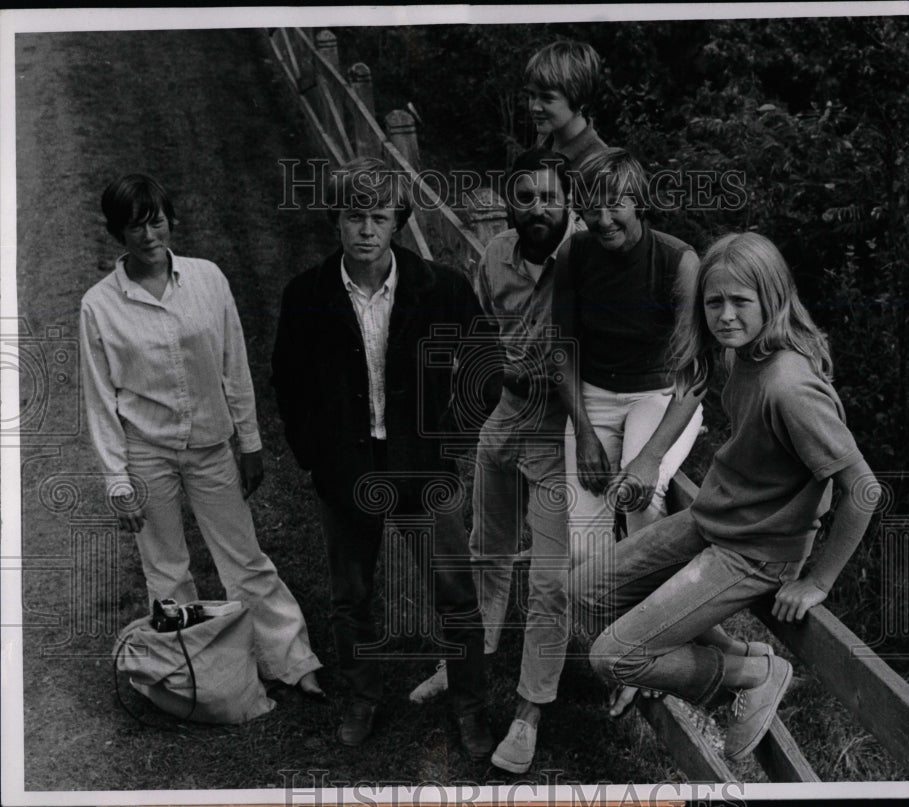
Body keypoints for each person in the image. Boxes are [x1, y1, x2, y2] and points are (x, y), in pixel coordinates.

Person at [580, 232, 879, 761]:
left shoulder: (790, 387)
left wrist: (819, 580)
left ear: (772, 298)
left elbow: (861, 488)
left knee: (614, 656)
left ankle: (751, 674)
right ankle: (729, 652)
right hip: (713, 520)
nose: (725, 315)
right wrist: (650, 455)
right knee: (584, 587)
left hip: (757, 551)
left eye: (741, 301)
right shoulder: (743, 355)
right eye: (714, 301)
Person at [270, 157, 497, 758]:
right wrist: (318, 458)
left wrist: (449, 441)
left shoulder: (440, 287)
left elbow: (483, 370)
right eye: (354, 216)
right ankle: (360, 696)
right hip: (348, 468)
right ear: (336, 222)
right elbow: (288, 386)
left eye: (379, 216)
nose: (366, 229)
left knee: (455, 593)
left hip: (424, 466)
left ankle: (472, 706)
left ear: (398, 221)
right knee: (351, 595)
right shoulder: (308, 296)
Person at [80, 173, 324, 699]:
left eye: (157, 221)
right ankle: (197, 678)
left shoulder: (208, 278)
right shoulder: (99, 306)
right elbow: (100, 400)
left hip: (212, 447)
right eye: (135, 227)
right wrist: (117, 482)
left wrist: (250, 442)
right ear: (117, 233)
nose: (149, 236)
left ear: (171, 219)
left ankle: (291, 659)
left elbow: (234, 364)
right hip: (147, 453)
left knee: (245, 559)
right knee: (167, 573)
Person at [409, 148, 582, 772]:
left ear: (569, 199)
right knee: (487, 549)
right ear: (512, 203)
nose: (539, 208)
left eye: (550, 196)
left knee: (551, 579)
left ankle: (530, 710)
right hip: (505, 414)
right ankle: (466, 664)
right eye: (526, 197)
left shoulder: (588, 257)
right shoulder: (495, 257)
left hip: (562, 426)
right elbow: (475, 332)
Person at [551, 148, 705, 574]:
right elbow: (562, 348)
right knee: (584, 551)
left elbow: (696, 370)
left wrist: (650, 457)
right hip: (593, 395)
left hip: (657, 394)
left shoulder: (678, 261)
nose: (603, 219)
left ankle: (666, 632)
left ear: (638, 201)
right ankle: (616, 634)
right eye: (591, 207)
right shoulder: (575, 254)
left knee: (642, 504)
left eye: (615, 204)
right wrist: (583, 431)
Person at [525, 40, 608, 170]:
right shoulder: (544, 142)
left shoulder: (599, 166)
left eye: (547, 98)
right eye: (532, 95)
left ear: (580, 100)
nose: (535, 107)